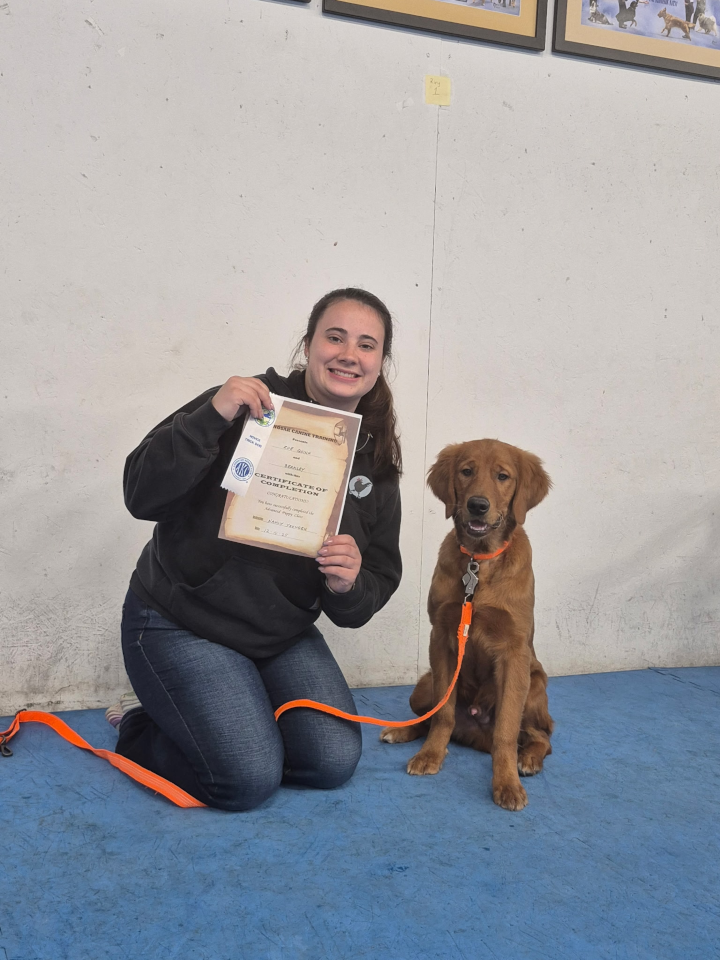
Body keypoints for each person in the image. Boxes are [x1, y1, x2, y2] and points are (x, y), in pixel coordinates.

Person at [107, 288, 403, 810]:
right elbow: (140, 494)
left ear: (380, 363)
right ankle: (143, 724)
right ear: (308, 344)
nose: (348, 354)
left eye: (366, 344)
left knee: (331, 762)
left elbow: (373, 582)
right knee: (245, 781)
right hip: (179, 622)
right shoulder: (245, 401)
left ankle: (218, 713)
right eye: (334, 337)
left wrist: (348, 584)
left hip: (277, 635)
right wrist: (210, 417)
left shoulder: (374, 460)